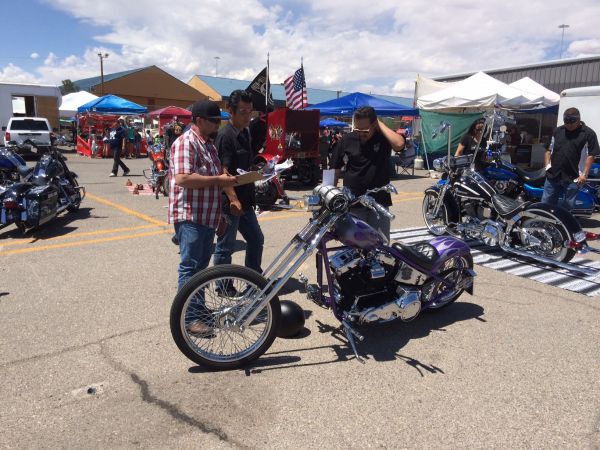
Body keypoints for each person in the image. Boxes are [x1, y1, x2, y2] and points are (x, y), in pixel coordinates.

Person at [331, 106, 405, 241]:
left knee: (380, 245)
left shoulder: (383, 139)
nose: (361, 133)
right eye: (357, 129)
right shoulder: (347, 140)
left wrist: (380, 124)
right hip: (353, 203)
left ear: (374, 124)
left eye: (365, 130)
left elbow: (399, 144)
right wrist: (331, 197)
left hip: (379, 203)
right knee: (353, 245)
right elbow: (334, 169)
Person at [213, 90, 265, 279]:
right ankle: (223, 286)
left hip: (245, 199)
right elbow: (222, 172)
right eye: (243, 112)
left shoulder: (246, 133)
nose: (248, 116)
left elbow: (243, 165)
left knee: (256, 239)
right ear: (230, 111)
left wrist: (261, 171)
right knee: (226, 247)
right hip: (231, 202)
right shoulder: (225, 136)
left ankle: (253, 279)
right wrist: (234, 200)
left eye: (250, 111)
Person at [542, 107, 600, 211]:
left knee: (567, 207)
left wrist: (584, 174)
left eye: (572, 122)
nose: (568, 125)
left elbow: (591, 155)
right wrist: (547, 166)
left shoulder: (588, 134)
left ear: (578, 120)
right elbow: (548, 149)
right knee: (546, 204)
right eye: (566, 122)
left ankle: (562, 226)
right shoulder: (557, 131)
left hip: (573, 177)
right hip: (553, 175)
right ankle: (544, 224)